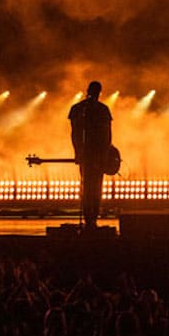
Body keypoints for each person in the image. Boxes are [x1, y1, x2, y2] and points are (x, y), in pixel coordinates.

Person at [68, 81, 113, 230]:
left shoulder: (77, 109)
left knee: (87, 186)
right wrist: (105, 154)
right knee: (95, 187)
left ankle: (90, 218)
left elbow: (74, 134)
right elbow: (107, 135)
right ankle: (92, 218)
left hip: (88, 154)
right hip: (97, 155)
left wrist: (78, 152)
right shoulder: (102, 109)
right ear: (99, 92)